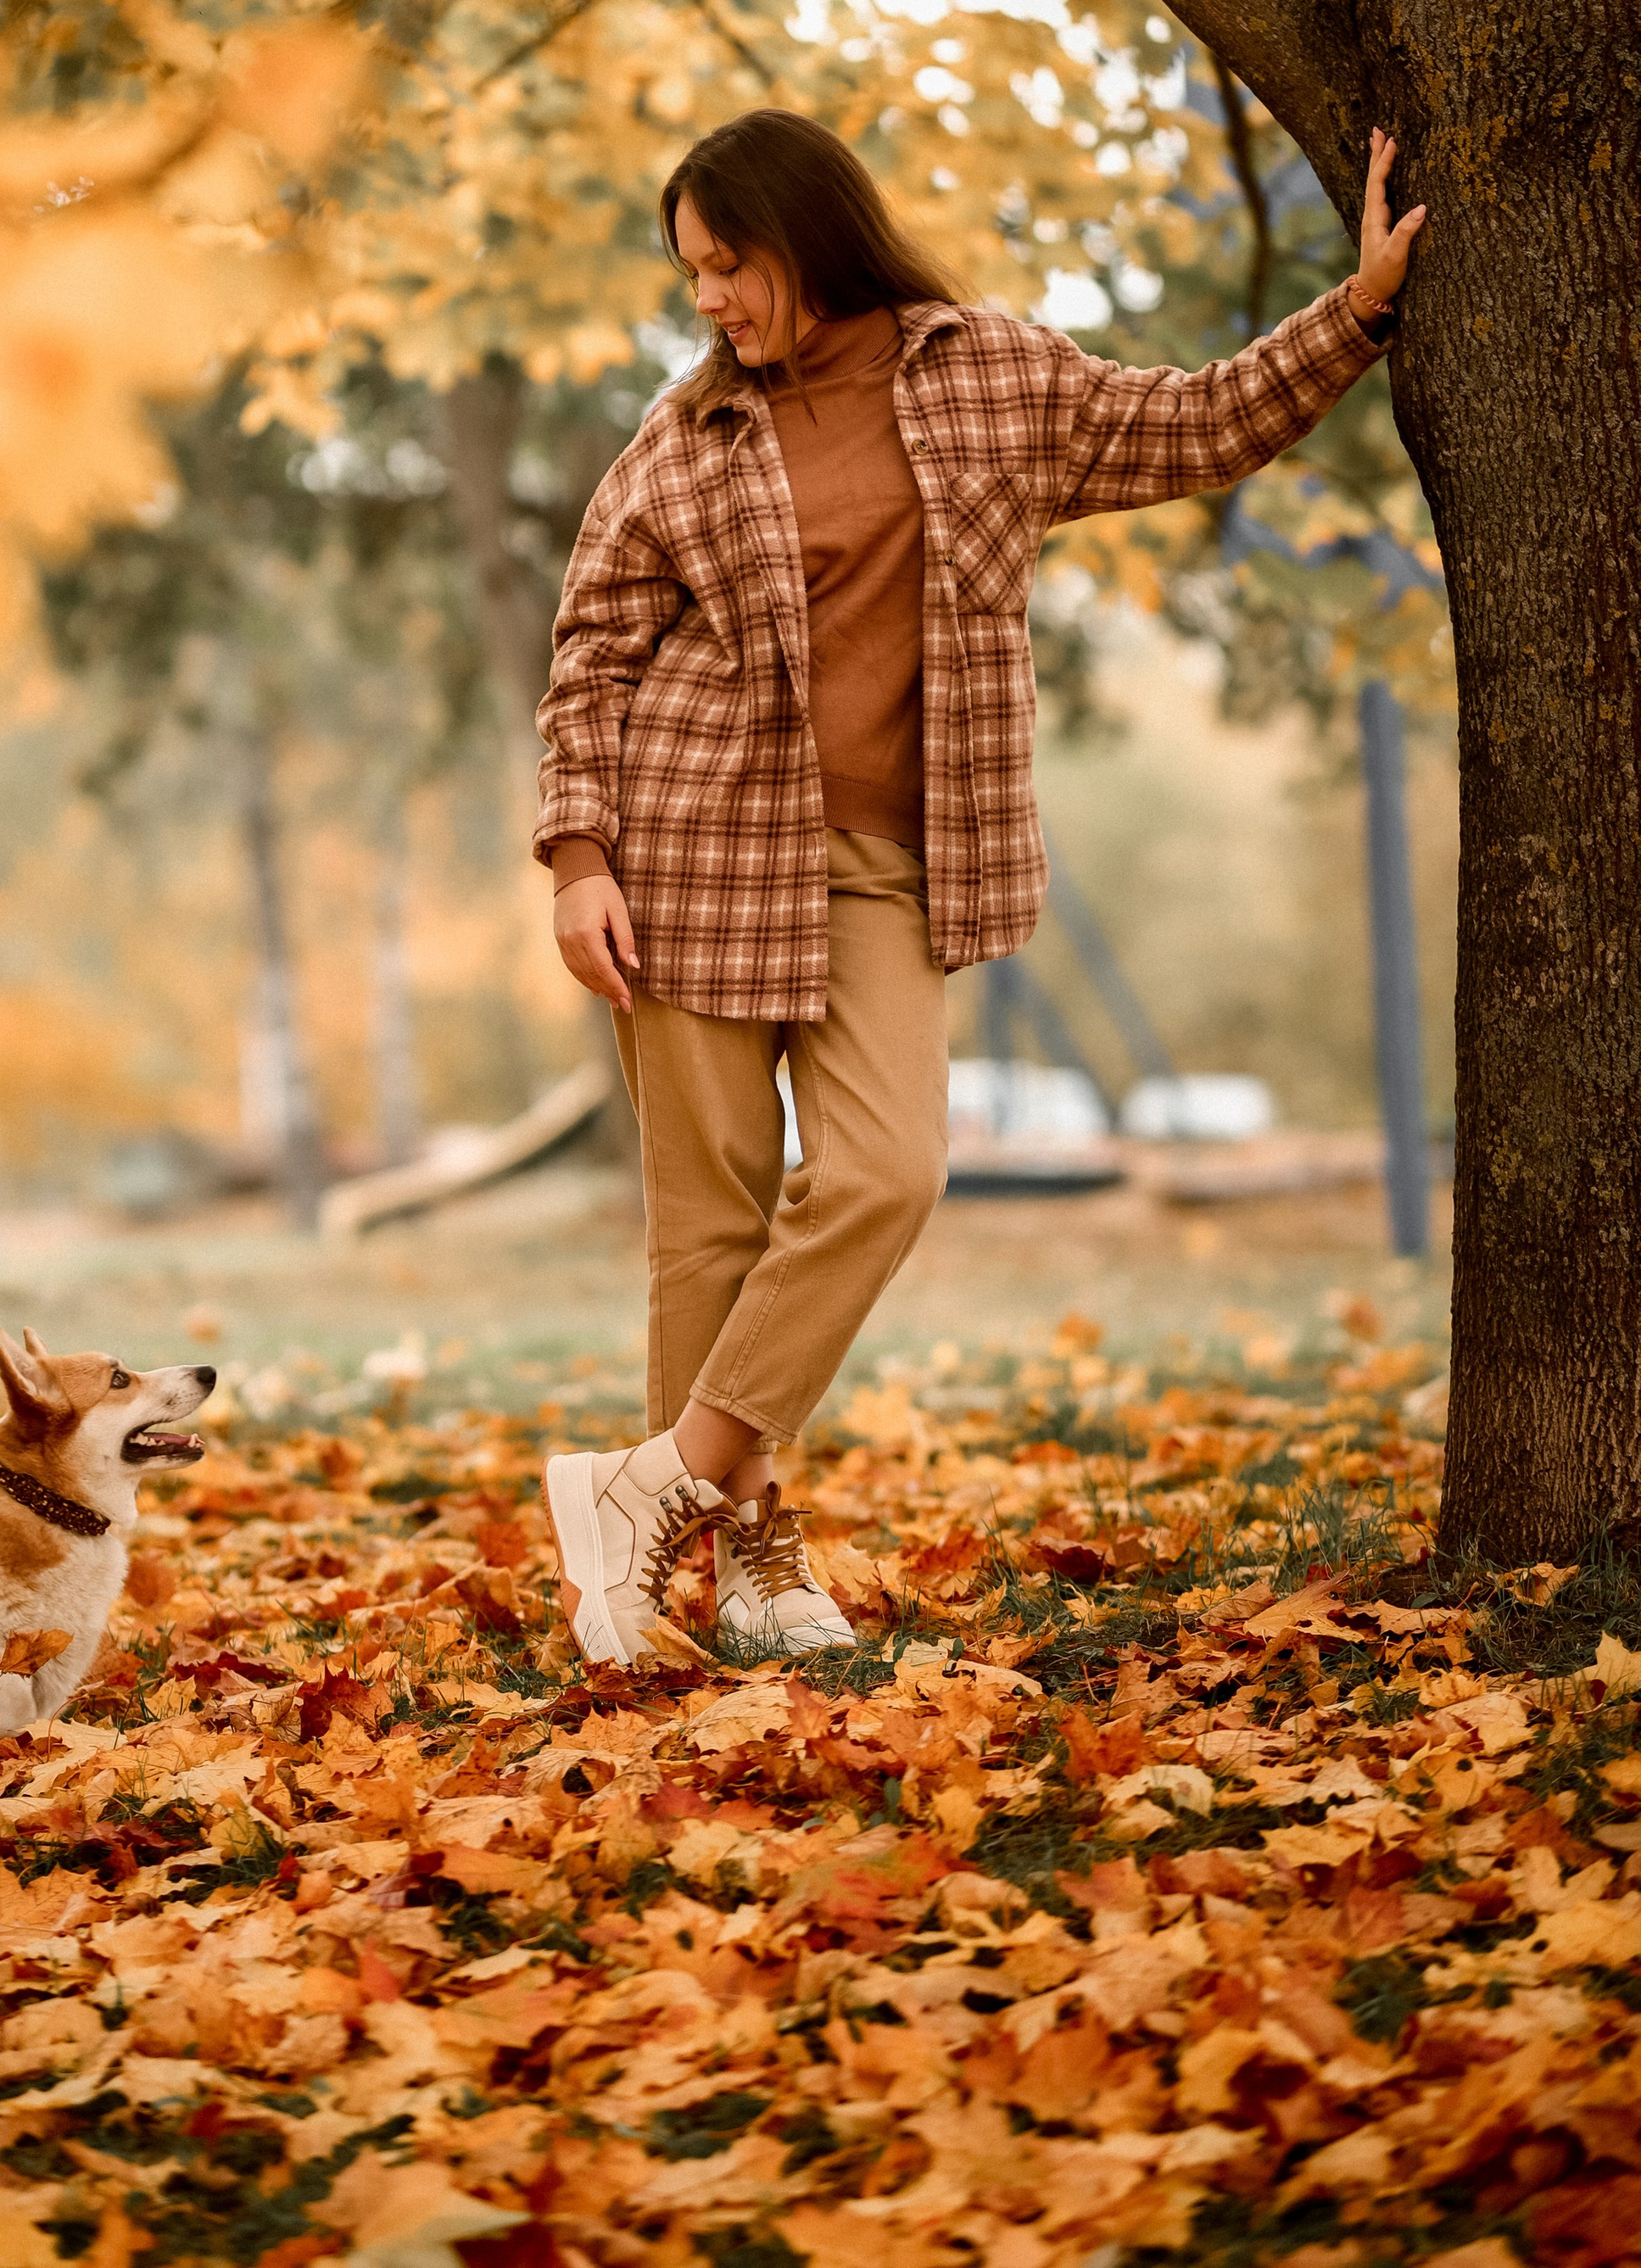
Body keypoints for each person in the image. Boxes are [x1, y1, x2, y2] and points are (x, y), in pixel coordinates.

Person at [534, 108, 1425, 1667]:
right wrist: (577, 860)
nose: (707, 304)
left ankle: (649, 1489)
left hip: (890, 869)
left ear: (807, 239)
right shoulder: (686, 439)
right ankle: (746, 1561)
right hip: (687, 856)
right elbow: (591, 657)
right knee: (710, 1223)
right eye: (690, 277)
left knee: (887, 1170)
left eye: (725, 267)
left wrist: (1353, 314)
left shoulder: (990, 378)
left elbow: (1198, 423)